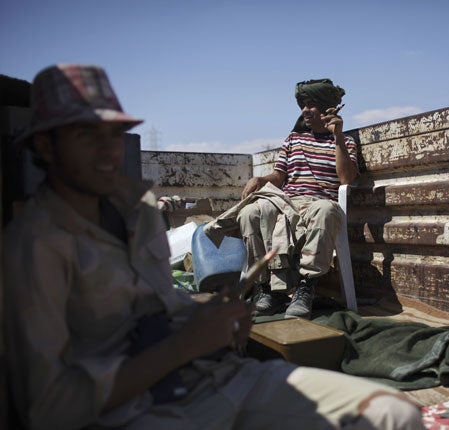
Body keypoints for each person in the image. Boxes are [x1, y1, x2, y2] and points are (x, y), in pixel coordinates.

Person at [3, 64, 425, 430]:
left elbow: (157, 303)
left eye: (114, 134)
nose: (107, 150)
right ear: (44, 145)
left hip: (212, 376)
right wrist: (186, 343)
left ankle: (301, 288)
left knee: (394, 414)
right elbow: (49, 412)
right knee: (254, 210)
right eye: (85, 135)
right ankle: (269, 289)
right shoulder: (34, 247)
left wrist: (206, 313)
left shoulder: (139, 212)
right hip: (140, 408)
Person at [229, 78, 358, 319]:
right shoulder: (293, 139)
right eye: (302, 105)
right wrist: (260, 180)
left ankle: (305, 287)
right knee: (250, 213)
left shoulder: (345, 142)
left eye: (311, 105)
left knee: (326, 210)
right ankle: (268, 290)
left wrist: (338, 136)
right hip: (288, 203)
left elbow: (346, 179)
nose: (305, 111)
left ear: (328, 107)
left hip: (320, 203)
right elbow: (279, 176)